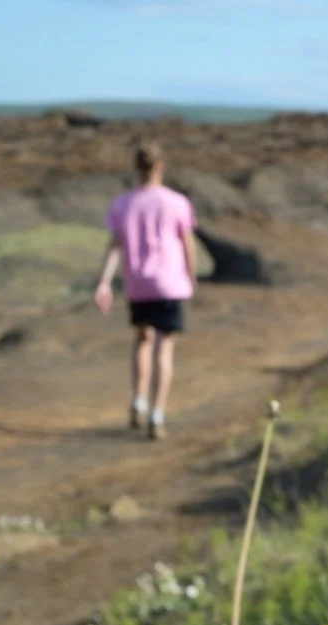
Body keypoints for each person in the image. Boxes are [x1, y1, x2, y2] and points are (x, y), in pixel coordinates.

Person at [94, 142, 198, 440]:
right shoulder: (177, 202)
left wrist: (104, 282)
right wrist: (190, 277)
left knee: (142, 341)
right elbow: (187, 243)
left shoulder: (124, 203)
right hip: (169, 283)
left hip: (138, 283)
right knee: (164, 346)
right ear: (161, 166)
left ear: (137, 168)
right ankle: (157, 413)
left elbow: (115, 245)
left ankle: (138, 401)